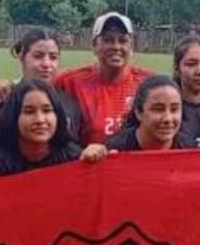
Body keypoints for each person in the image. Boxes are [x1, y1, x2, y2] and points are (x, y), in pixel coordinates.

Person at [0, 28, 79, 160]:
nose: (47, 64)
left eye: (53, 57)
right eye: (38, 56)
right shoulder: (1, 99)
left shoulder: (70, 104)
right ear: (22, 57)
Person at [54, 11, 154, 145]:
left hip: (133, 164)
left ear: (131, 46)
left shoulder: (148, 83)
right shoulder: (69, 82)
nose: (116, 47)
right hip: (90, 162)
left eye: (123, 40)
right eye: (108, 40)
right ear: (94, 46)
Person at [0, 79, 83, 178]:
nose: (40, 120)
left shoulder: (72, 157)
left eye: (47, 110)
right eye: (29, 112)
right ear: (14, 116)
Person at [81, 75, 198, 160]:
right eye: (158, 109)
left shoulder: (191, 151)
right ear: (139, 112)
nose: (168, 118)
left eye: (174, 109)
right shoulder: (115, 150)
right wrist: (89, 159)